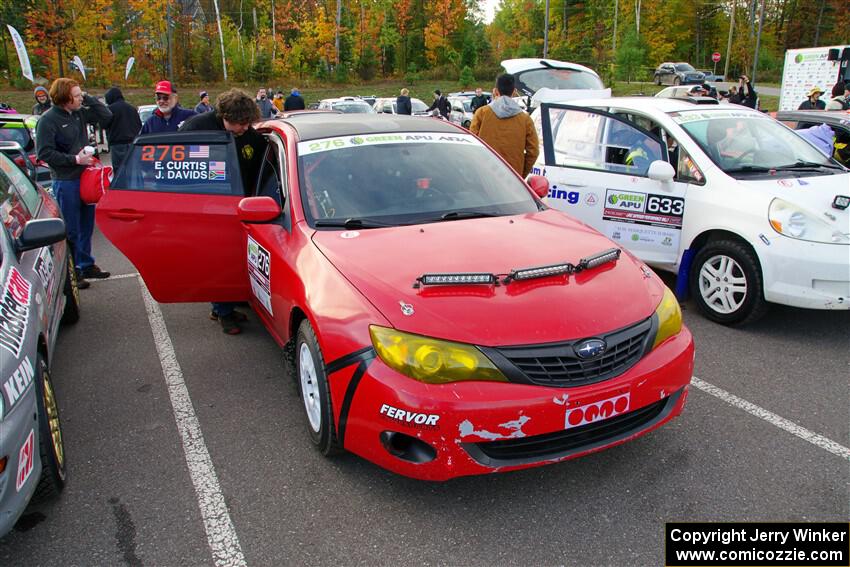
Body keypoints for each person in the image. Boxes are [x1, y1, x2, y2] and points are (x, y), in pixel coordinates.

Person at [179, 89, 268, 335]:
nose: (242, 128)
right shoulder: (196, 129)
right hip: (208, 209)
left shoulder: (252, 138)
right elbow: (182, 169)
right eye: (237, 124)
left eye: (246, 123)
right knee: (218, 260)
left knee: (236, 259)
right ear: (223, 115)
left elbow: (263, 170)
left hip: (241, 209)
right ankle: (223, 311)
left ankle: (225, 303)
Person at [36, 78, 113, 286]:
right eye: (77, 95)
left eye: (81, 95)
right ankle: (74, 271)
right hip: (66, 180)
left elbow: (106, 115)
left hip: (86, 177)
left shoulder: (78, 113)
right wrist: (74, 160)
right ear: (64, 98)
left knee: (87, 224)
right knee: (71, 228)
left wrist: (88, 97)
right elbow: (43, 152)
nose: (81, 98)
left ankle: (87, 264)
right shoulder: (47, 120)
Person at [470, 73, 539, 178]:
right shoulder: (525, 119)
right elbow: (533, 152)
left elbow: (471, 144)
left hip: (483, 174)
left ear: (495, 91)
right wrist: (520, 175)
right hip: (512, 178)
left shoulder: (481, 113)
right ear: (514, 92)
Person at [103, 86, 142, 171]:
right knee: (134, 170)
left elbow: (104, 125)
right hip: (133, 144)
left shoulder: (109, 109)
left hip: (117, 145)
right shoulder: (132, 108)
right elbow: (139, 125)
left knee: (119, 172)